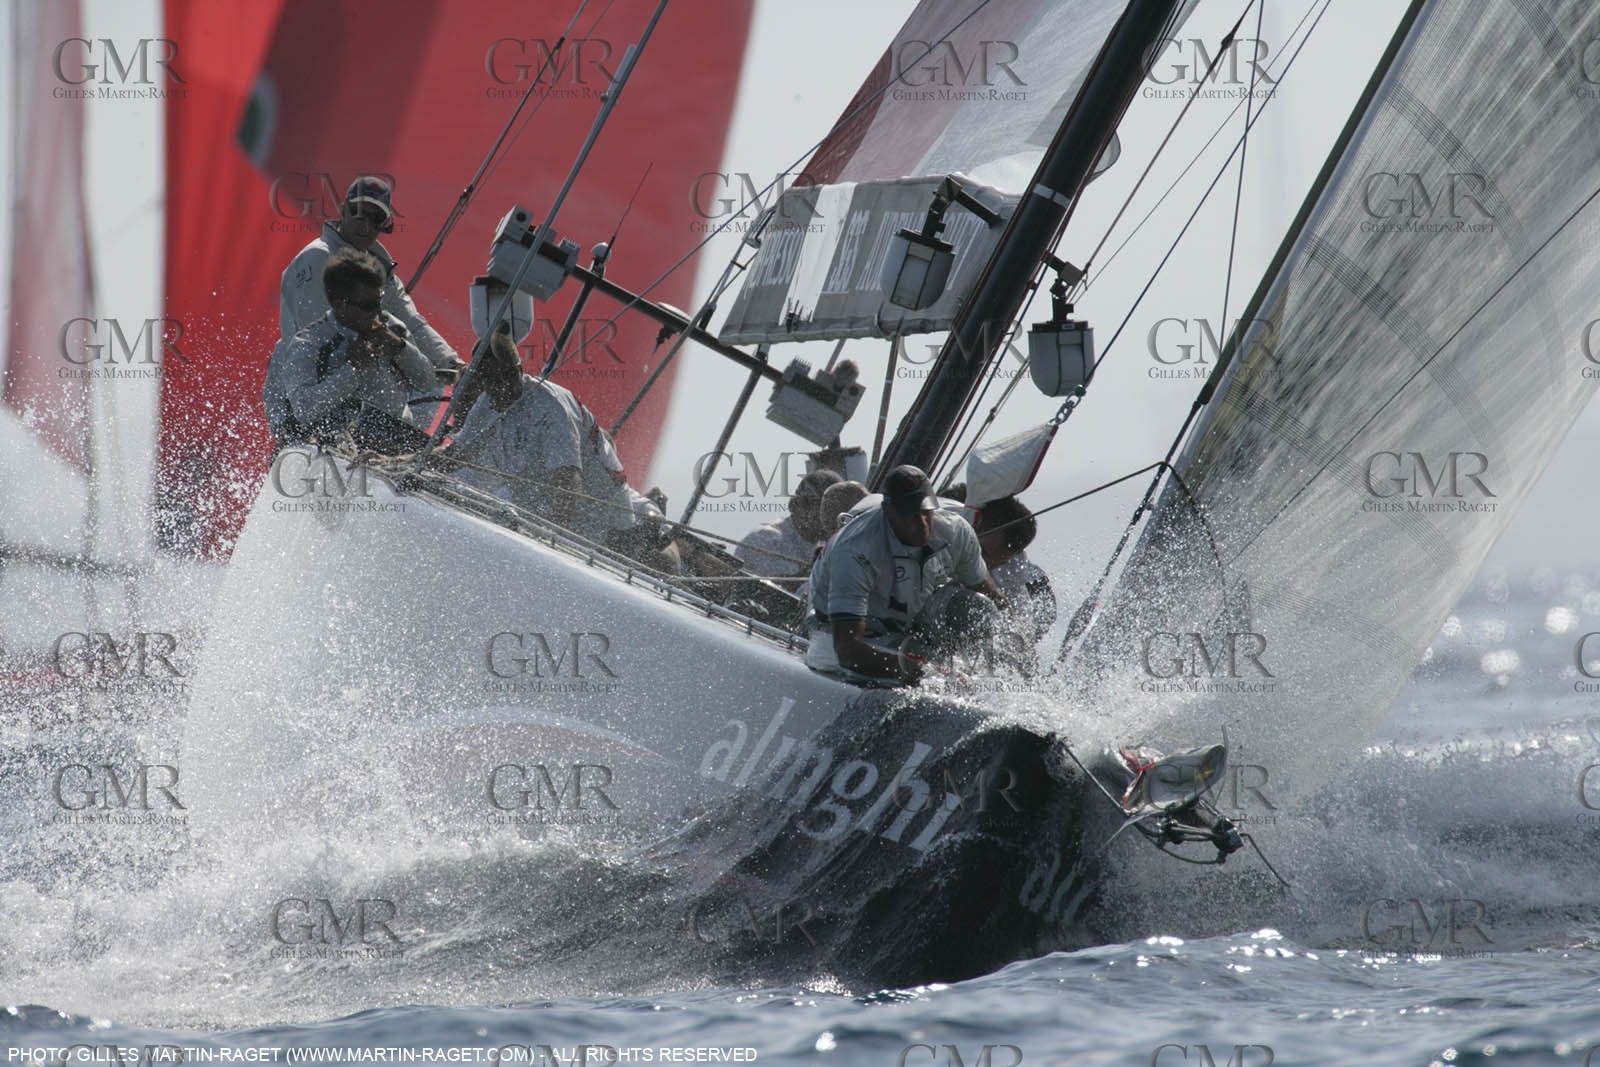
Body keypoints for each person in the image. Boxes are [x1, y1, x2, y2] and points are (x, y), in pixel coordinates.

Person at [805, 465, 1006, 685]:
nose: (921, 524)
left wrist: (1014, 628)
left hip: (911, 614)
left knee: (977, 609)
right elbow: (848, 651)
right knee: (922, 660)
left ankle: (992, 679)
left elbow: (985, 588)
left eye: (926, 512)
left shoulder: (955, 531)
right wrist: (923, 671)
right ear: (887, 510)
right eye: (909, 515)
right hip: (853, 633)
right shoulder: (855, 550)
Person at [447, 330, 637, 545]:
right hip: (550, 509)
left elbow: (568, 483)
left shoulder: (550, 406)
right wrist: (409, 464)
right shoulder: (485, 402)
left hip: (603, 518)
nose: (496, 387)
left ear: (518, 370)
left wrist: (549, 541)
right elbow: (456, 454)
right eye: (487, 379)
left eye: (503, 377)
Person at [279, 177, 461, 375]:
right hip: (305, 388)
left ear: (385, 224)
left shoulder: (377, 266)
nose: (365, 225)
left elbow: (412, 323)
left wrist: (452, 364)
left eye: (376, 219)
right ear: (344, 210)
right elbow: (312, 336)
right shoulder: (317, 258)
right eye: (359, 213)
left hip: (354, 381)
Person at [263, 247, 437, 452]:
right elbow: (304, 409)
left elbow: (427, 382)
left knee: (438, 459)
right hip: (328, 446)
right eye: (367, 305)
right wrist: (353, 370)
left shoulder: (393, 329)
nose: (377, 312)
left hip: (390, 436)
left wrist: (400, 348)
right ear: (339, 304)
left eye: (379, 302)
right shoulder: (309, 343)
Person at [970, 495, 1058, 653]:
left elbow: (1041, 615)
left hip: (1029, 593)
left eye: (999, 561)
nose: (989, 563)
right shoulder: (954, 527)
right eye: (984, 553)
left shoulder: (1017, 569)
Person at [733, 469, 842, 584]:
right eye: (827, 511)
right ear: (797, 505)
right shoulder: (765, 540)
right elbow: (773, 594)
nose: (832, 520)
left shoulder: (827, 545)